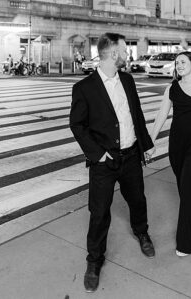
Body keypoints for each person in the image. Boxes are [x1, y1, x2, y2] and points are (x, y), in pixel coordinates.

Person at [69, 32, 155, 292]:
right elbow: (77, 125)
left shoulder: (127, 80)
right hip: (104, 162)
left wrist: (146, 146)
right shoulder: (84, 88)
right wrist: (97, 153)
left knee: (138, 200)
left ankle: (142, 232)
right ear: (114, 53)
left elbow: (136, 115)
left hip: (130, 156)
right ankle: (94, 260)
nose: (128, 54)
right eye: (125, 50)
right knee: (99, 212)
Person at [147, 51, 191, 257]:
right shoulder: (171, 88)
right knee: (184, 185)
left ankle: (186, 243)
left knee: (187, 191)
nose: (178, 65)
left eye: (183, 62)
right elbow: (162, 114)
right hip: (177, 143)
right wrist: (150, 141)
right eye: (176, 62)